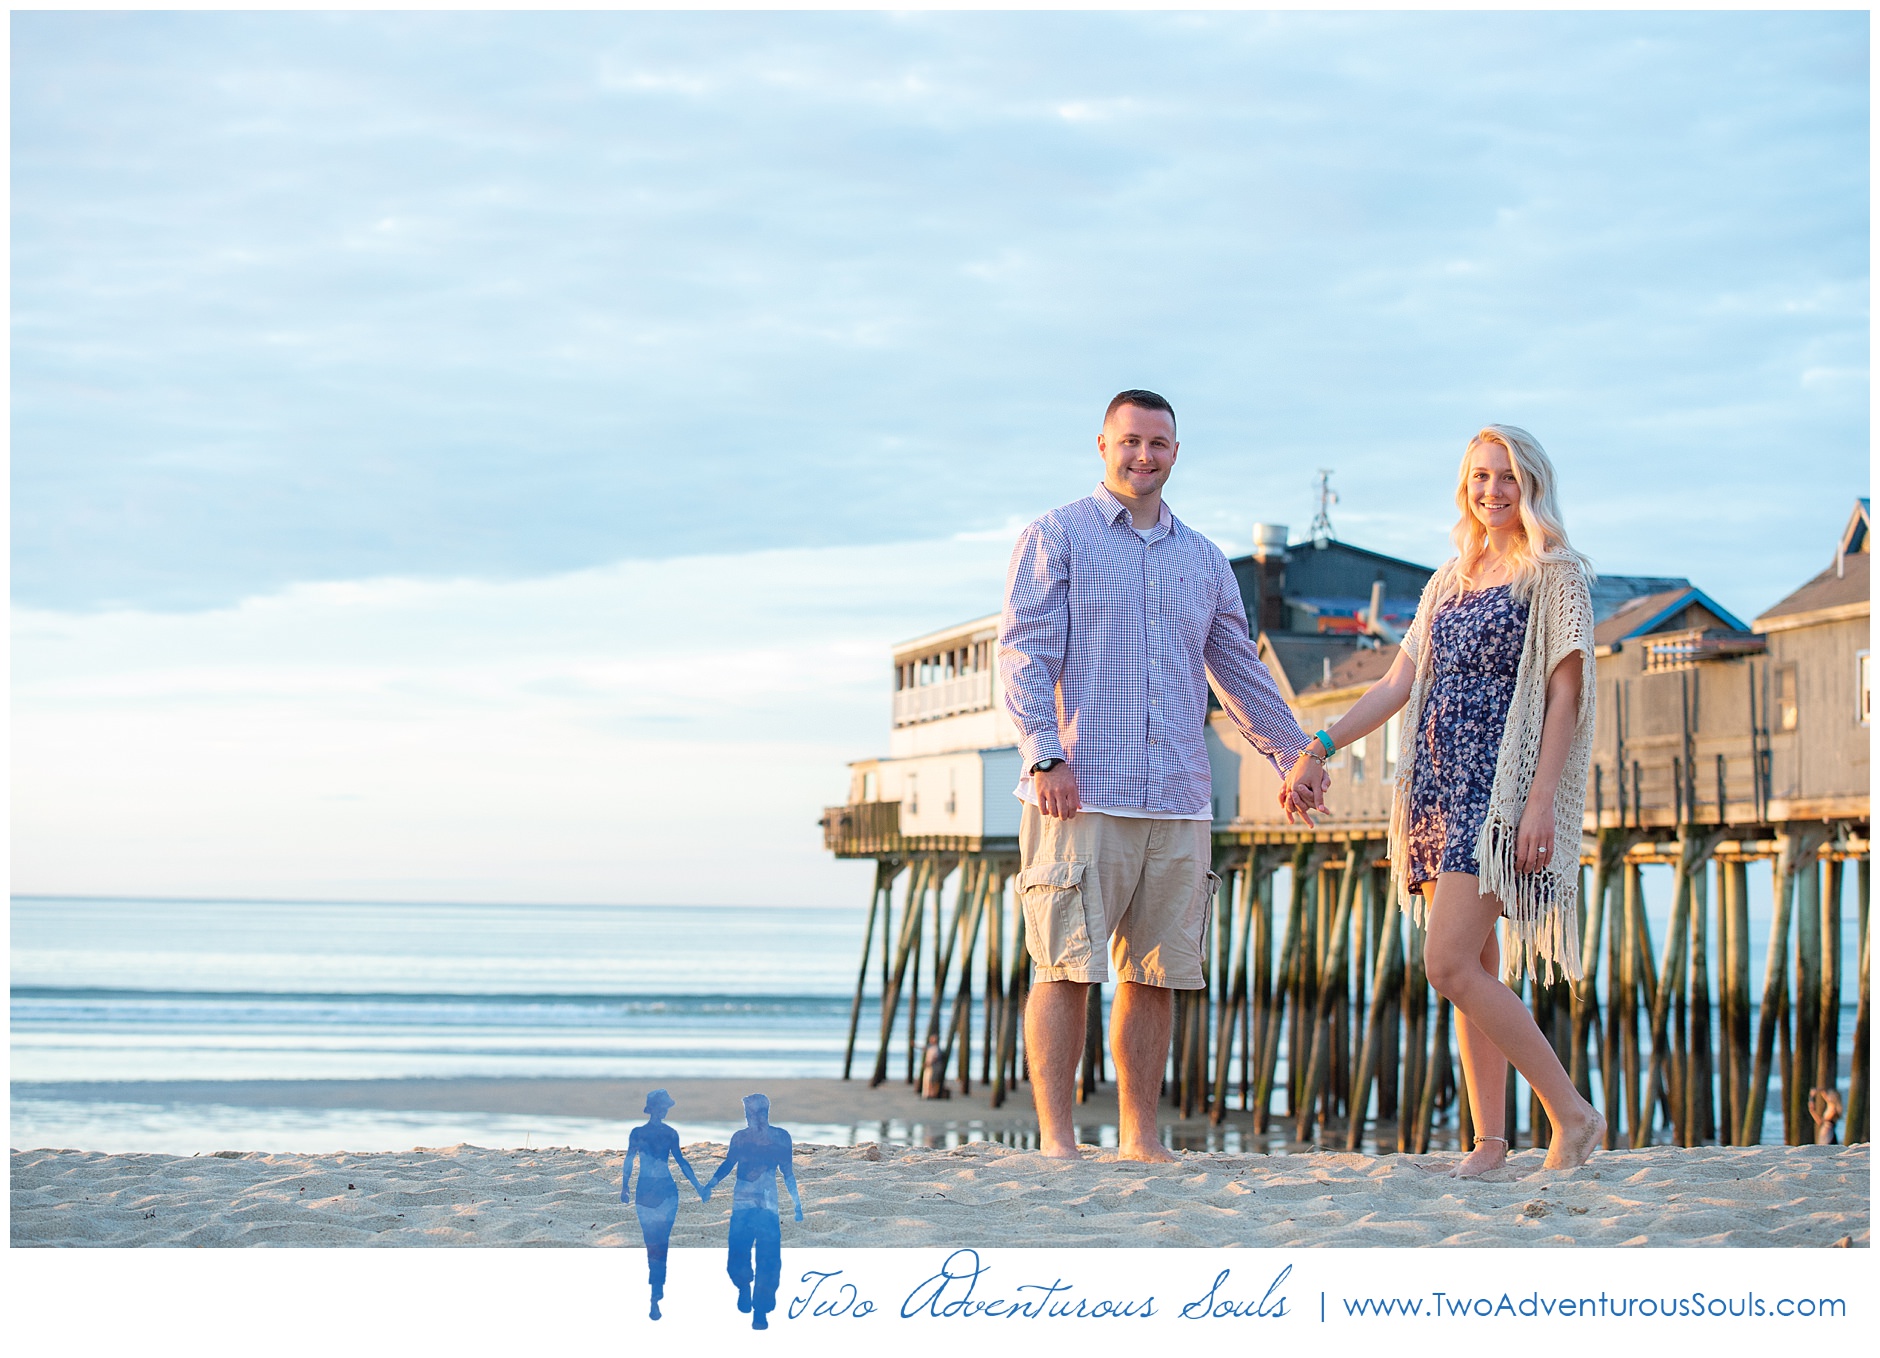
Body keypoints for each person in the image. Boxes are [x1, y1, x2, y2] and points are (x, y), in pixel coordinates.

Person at [999, 389, 1328, 1162]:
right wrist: (1044, 753)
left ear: (1176, 453)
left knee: (1157, 974)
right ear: (1104, 446)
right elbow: (1023, 652)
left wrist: (1291, 757)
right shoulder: (1057, 537)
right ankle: (1057, 1143)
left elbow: (1238, 674)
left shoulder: (1204, 559)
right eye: (1131, 441)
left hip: (1177, 797)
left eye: (1159, 443)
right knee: (1064, 967)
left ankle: (1141, 1141)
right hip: (1079, 789)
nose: (1144, 455)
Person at [1279, 424, 1606, 1175]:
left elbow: (1566, 694)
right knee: (1477, 967)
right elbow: (1397, 683)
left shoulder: (1554, 573)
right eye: (1480, 477)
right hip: (1433, 786)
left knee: (1449, 963)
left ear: (1532, 485)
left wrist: (1540, 800)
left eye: (1507, 477)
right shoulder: (1449, 578)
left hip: (1498, 792)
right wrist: (1317, 748)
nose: (1491, 490)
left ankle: (1573, 1114)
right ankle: (1490, 1142)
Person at [702, 1093, 802, 1330]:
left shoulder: (781, 1137)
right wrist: (711, 1184)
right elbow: (728, 1163)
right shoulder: (739, 1138)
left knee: (769, 1260)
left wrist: (796, 1203)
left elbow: (787, 1173)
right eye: (747, 1113)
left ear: (764, 1113)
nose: (750, 1117)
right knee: (737, 1255)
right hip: (742, 1204)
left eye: (753, 1113)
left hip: (768, 1207)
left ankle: (761, 1311)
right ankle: (744, 1287)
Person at [621, 1088, 705, 1319]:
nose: (666, 1111)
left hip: (658, 1191)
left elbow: (680, 1161)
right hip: (654, 1191)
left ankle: (656, 1291)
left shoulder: (661, 1133)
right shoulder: (651, 1133)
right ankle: (656, 1290)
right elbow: (630, 1160)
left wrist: (698, 1186)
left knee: (657, 1242)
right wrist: (624, 1186)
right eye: (664, 1107)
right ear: (656, 1108)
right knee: (656, 1242)